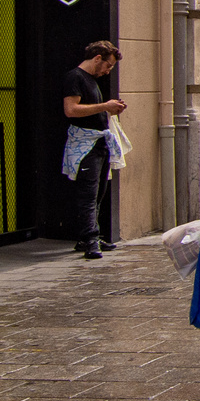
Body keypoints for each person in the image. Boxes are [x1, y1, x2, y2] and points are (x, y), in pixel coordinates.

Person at [61, 41, 127, 259]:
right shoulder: (75, 77)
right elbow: (71, 110)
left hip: (98, 143)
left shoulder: (91, 80)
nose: (108, 71)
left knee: (98, 193)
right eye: (108, 66)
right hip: (85, 145)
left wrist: (111, 108)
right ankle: (90, 240)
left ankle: (88, 237)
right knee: (88, 194)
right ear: (97, 58)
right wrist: (105, 106)